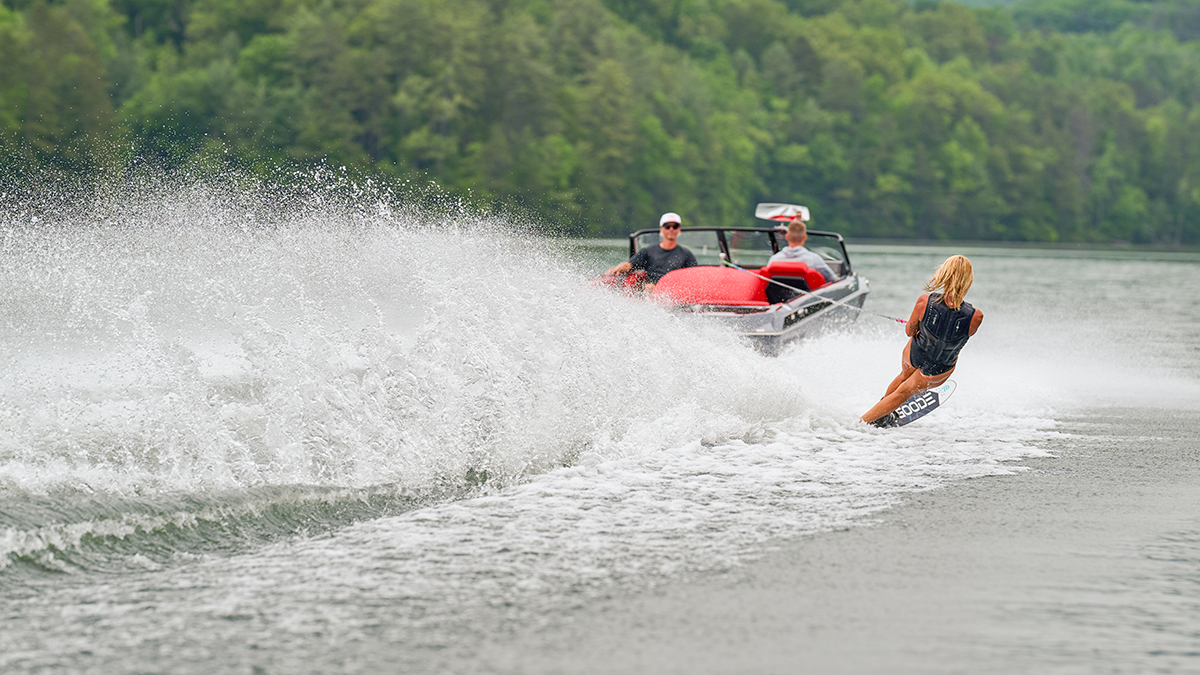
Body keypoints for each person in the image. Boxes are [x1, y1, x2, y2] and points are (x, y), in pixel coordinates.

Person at [861, 255, 984, 427]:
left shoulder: (924, 301)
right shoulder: (976, 316)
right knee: (905, 391)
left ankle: (882, 410)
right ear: (968, 281)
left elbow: (909, 331)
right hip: (940, 368)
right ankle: (861, 424)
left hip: (915, 354)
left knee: (904, 378)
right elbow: (956, 336)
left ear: (944, 274)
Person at [605, 212, 698, 291]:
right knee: (649, 288)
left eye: (675, 226)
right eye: (667, 226)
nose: (671, 229)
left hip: (675, 290)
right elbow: (629, 264)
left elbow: (694, 277)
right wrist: (616, 269)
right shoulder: (648, 251)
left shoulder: (686, 254)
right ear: (662, 229)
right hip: (653, 289)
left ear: (679, 229)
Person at [768, 219, 837, 283]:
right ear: (805, 237)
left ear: (786, 237)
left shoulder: (774, 260)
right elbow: (833, 279)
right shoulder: (814, 260)